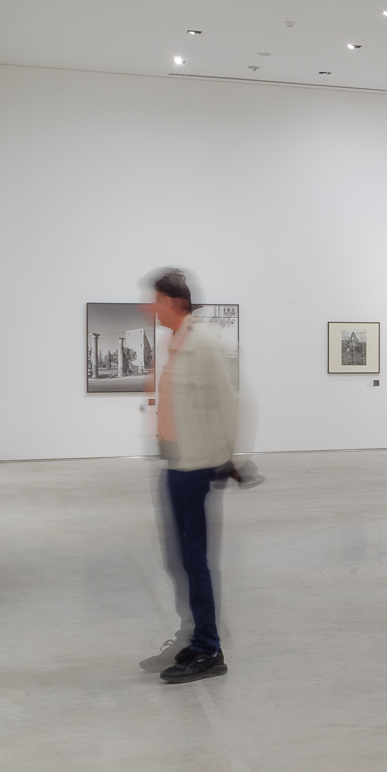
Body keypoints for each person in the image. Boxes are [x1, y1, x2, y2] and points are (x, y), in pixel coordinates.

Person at [140, 268, 239, 684]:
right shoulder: (176, 343)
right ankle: (192, 636)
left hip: (196, 466)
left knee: (194, 560)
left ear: (173, 302)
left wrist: (227, 458)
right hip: (175, 463)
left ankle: (208, 649)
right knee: (178, 560)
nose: (149, 308)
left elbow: (229, 403)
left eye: (154, 301)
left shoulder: (204, 343)